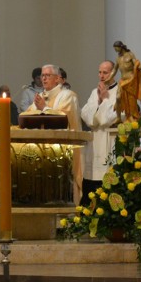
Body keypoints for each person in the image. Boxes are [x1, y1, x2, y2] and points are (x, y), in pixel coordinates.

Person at [22, 64, 82, 202]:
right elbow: (28, 116)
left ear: (57, 79)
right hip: (41, 152)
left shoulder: (68, 96)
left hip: (64, 151)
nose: (44, 78)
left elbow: (64, 119)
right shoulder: (40, 97)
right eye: (42, 75)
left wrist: (45, 108)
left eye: (47, 75)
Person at [80, 60, 119, 198]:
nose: (101, 76)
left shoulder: (121, 92)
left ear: (113, 73)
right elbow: (86, 115)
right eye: (100, 72)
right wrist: (98, 101)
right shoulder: (93, 92)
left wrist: (105, 100)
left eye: (105, 72)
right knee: (91, 186)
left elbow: (108, 119)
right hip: (95, 141)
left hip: (110, 142)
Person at [112, 41, 141, 122]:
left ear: (121, 47)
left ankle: (131, 117)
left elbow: (136, 66)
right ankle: (118, 118)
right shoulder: (118, 58)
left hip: (131, 81)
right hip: (122, 81)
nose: (115, 51)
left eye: (116, 48)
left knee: (131, 100)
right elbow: (114, 70)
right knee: (118, 98)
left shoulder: (130, 54)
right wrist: (109, 78)